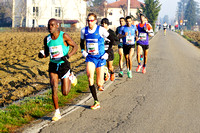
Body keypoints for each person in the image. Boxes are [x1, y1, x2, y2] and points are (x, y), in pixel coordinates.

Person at [38, 18, 78, 121]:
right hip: (53, 65)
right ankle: (57, 112)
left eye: (52, 25)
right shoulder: (47, 39)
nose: (50, 27)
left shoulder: (64, 36)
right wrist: (42, 55)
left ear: (57, 26)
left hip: (64, 65)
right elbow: (47, 53)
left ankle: (71, 75)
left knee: (65, 92)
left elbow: (75, 46)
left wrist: (68, 56)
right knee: (54, 87)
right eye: (48, 25)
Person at [80, 13, 112, 110]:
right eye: (88, 20)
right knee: (90, 77)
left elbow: (112, 40)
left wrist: (107, 53)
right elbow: (81, 42)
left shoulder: (101, 30)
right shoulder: (83, 30)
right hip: (90, 58)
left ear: (95, 21)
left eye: (92, 20)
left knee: (99, 84)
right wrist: (83, 51)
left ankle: (105, 71)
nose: (90, 22)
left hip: (100, 58)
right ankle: (96, 101)